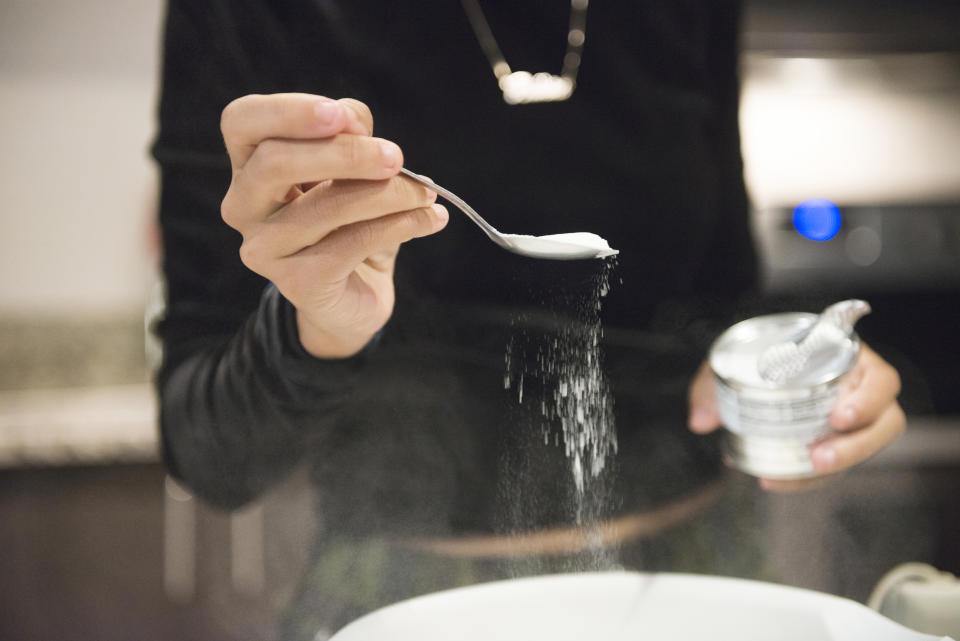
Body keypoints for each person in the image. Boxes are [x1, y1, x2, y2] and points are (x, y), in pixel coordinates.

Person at [151, 0, 905, 636]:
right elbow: (207, 452)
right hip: (400, 594)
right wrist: (318, 328)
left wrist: (791, 374)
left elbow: (726, 299)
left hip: (698, 575)